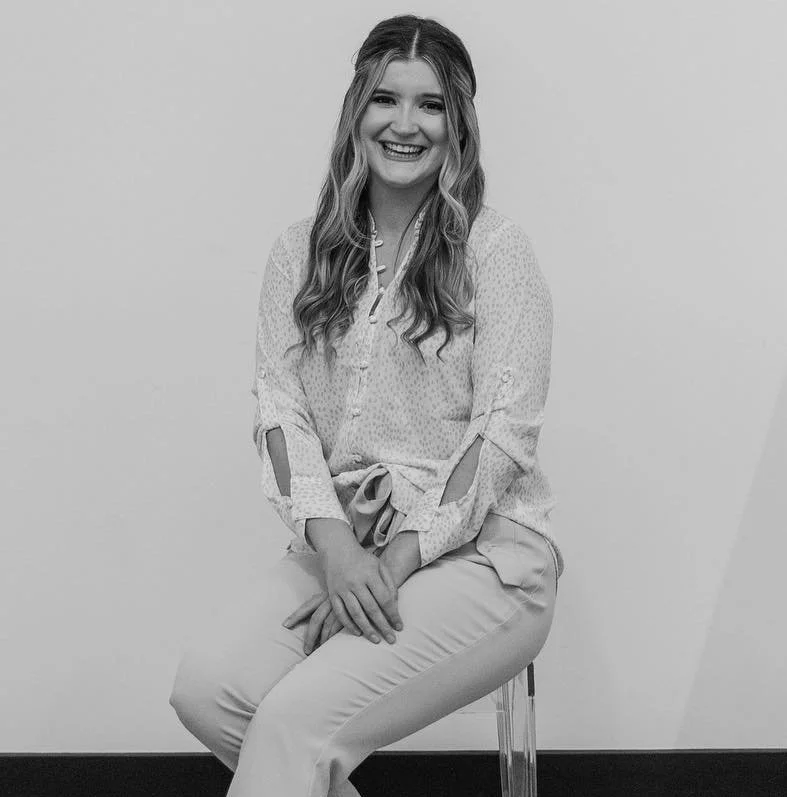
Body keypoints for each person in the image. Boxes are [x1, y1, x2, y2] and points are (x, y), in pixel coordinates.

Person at [169, 14, 563, 797]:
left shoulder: (496, 252)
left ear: (459, 124)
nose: (405, 124)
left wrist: (389, 563)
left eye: (431, 105)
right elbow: (280, 416)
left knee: (290, 725)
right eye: (386, 99)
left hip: (486, 558)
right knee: (211, 691)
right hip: (346, 545)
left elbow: (500, 436)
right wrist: (340, 554)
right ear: (357, 111)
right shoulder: (299, 251)